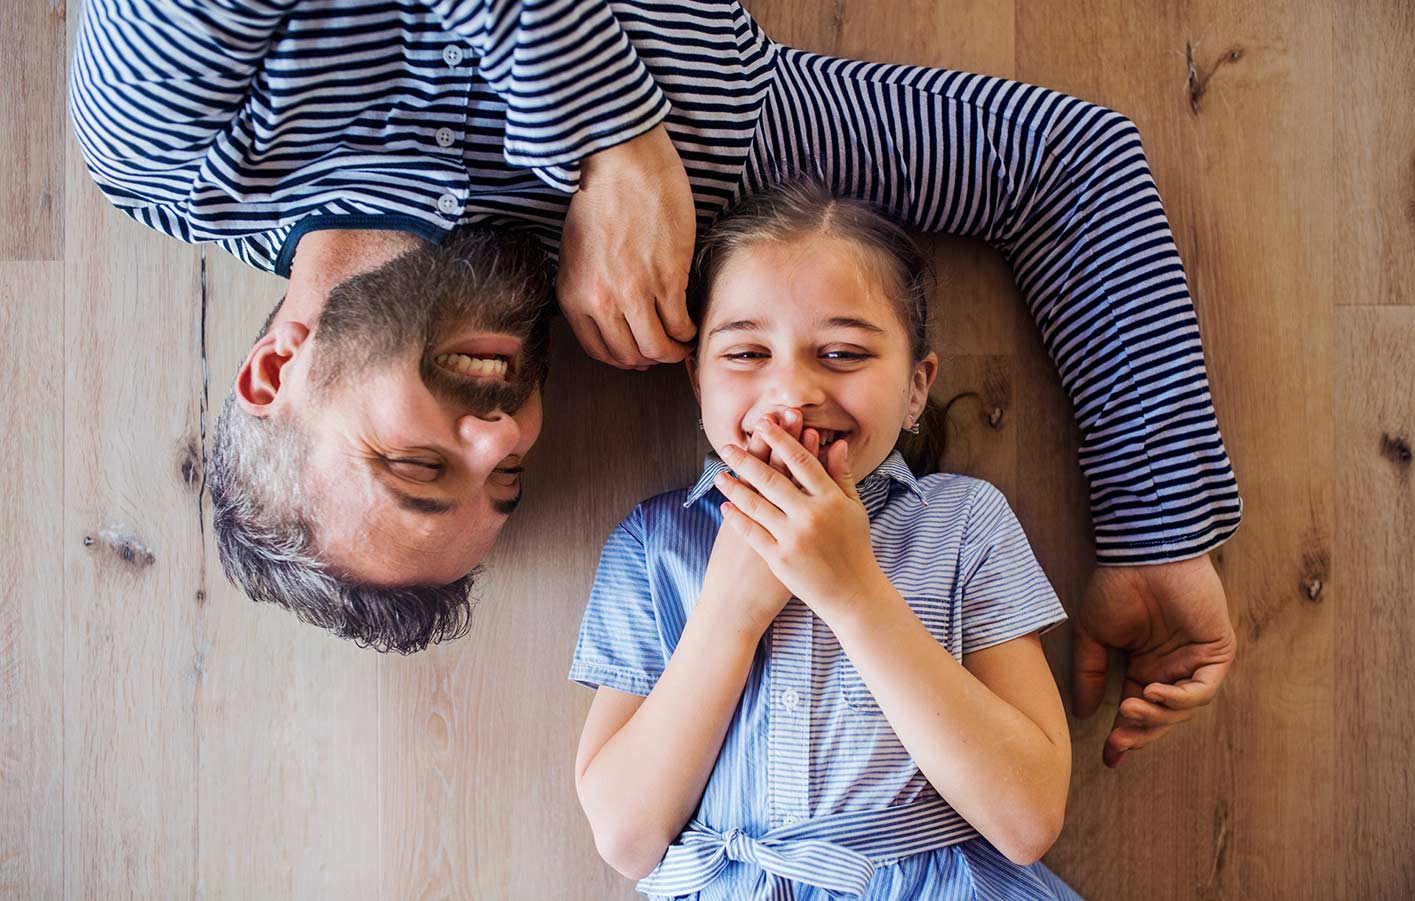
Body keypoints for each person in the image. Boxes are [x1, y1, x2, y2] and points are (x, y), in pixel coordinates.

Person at [70, 0, 1239, 763]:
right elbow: (1060, 167)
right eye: (509, 477)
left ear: (277, 365)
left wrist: (609, 137)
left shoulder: (173, 149)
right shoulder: (721, 176)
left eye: (417, 463)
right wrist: (1157, 530)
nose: (498, 433)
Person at [572, 183, 1080, 898]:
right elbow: (625, 839)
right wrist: (729, 609)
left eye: (840, 352)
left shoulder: (966, 523)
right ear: (696, 381)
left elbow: (1026, 818)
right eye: (746, 352)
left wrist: (853, 591)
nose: (789, 394)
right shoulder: (650, 545)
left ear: (914, 388)